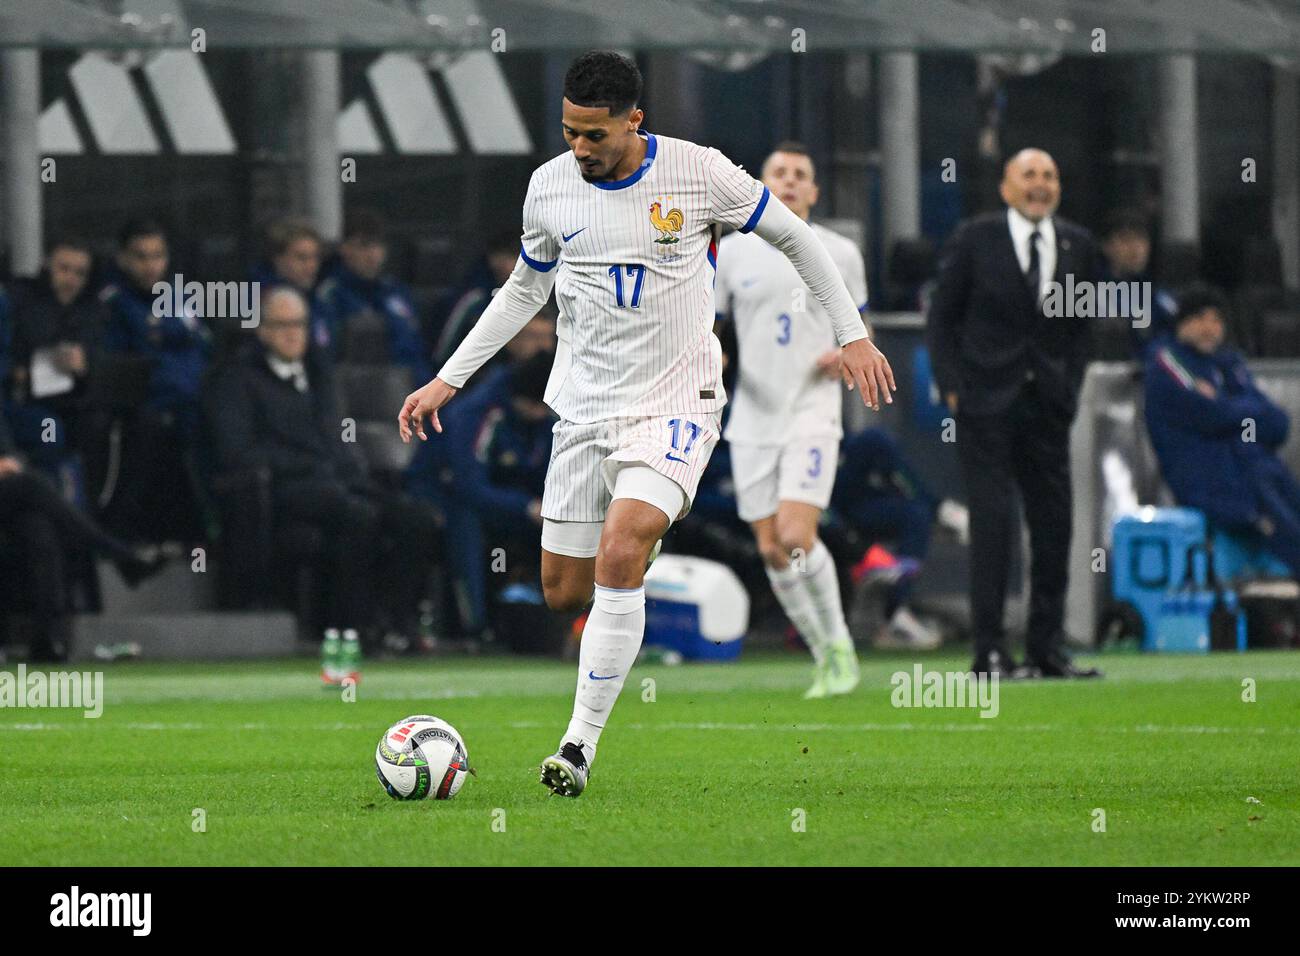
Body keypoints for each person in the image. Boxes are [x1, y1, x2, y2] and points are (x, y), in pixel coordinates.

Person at [399, 50, 894, 797]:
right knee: (565, 591)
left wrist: (852, 333)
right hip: (584, 410)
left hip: (677, 405)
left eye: (594, 135)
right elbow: (521, 291)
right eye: (569, 132)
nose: (579, 148)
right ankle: (633, 560)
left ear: (634, 120)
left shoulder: (700, 174)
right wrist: (447, 379)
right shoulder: (549, 188)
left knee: (622, 547)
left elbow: (798, 238)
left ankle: (577, 747)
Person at [926, 148, 1102, 679]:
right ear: (1005, 186)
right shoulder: (976, 238)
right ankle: (991, 652)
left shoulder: (1078, 244)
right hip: (986, 405)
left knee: (1054, 527)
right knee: (993, 526)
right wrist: (953, 388)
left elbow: (1083, 328)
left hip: (1048, 406)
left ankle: (1048, 650)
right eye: (1029, 175)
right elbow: (941, 320)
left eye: (1049, 175)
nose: (1040, 184)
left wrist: (1069, 389)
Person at [205, 287, 442, 661]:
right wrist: (312, 466)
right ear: (262, 330)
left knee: (415, 519)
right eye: (281, 325)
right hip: (285, 488)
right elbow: (237, 451)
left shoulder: (321, 374)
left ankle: (401, 625)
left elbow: (340, 439)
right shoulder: (235, 380)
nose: (292, 333)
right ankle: (351, 627)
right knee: (358, 517)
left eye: (298, 324)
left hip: (338, 480)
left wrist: (350, 468)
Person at [713, 141, 869, 698]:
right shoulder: (731, 253)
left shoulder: (840, 252)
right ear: (761, 182)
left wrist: (846, 353)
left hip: (812, 411)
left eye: (800, 174)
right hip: (752, 416)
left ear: (814, 190)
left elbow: (858, 329)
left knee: (796, 535)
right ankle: (822, 651)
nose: (789, 181)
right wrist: (717, 357)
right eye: (779, 172)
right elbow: (714, 325)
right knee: (771, 549)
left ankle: (842, 646)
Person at [1145, 286, 1300, 573]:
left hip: (1252, 469)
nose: (1210, 327)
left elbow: (1277, 424)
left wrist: (1230, 408)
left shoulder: (1228, 365)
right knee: (1282, 528)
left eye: (1217, 320)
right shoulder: (1167, 363)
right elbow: (1211, 416)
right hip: (1211, 479)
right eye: (1201, 318)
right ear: (1182, 322)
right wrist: (1241, 413)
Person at [100, 219, 210, 543]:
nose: (151, 266)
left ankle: (212, 534)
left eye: (158, 256)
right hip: (149, 406)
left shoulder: (179, 298)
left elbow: (203, 350)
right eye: (141, 256)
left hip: (193, 402)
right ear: (122, 258)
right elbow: (125, 368)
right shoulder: (114, 303)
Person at [441, 349, 556, 640]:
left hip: (507, 500)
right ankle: (474, 626)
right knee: (466, 521)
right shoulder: (479, 414)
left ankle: (556, 625)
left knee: (565, 522)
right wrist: (527, 506)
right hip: (449, 495)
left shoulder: (544, 416)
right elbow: (468, 486)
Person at [3, 236, 106, 472]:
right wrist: (20, 371)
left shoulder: (93, 311)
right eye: (64, 269)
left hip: (76, 402)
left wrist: (86, 364)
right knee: (49, 433)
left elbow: (106, 361)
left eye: (79, 273)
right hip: (31, 404)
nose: (70, 279)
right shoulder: (23, 301)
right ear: (47, 264)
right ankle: (47, 496)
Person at [315, 209, 430, 382]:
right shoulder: (330, 294)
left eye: (378, 246)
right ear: (344, 248)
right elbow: (327, 355)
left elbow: (416, 349)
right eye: (364, 246)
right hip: (359, 392)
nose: (373, 255)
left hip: (413, 390)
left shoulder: (396, 292)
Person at [253, 217, 339, 355]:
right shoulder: (259, 304)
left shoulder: (319, 302)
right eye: (301, 258)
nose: (311, 266)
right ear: (278, 258)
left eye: (315, 257)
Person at [1099, 210, 1178, 358]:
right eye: (1126, 240)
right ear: (1106, 246)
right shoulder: (1090, 295)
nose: (1135, 248)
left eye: (1141, 240)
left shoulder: (1160, 297)